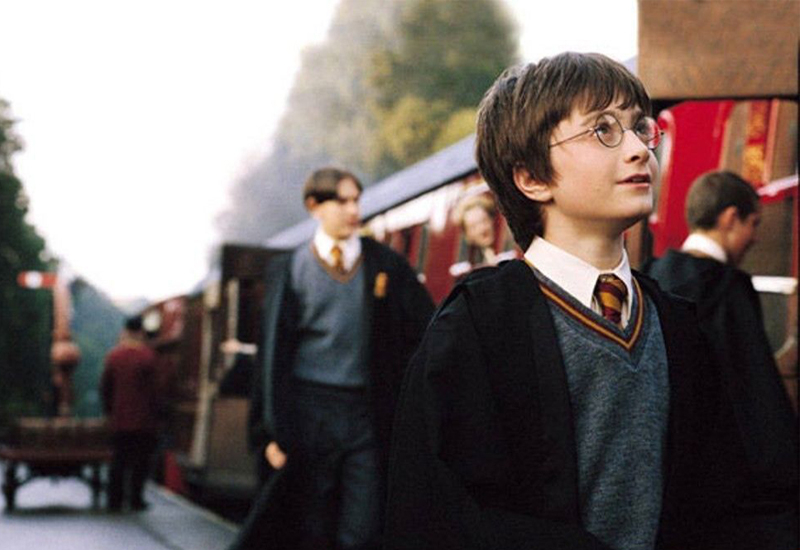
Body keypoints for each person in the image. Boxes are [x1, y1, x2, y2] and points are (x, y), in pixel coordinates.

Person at [384, 52, 798, 550]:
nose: (640, 150)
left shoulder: (679, 325)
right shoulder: (478, 328)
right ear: (532, 178)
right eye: (603, 130)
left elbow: (723, 502)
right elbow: (441, 516)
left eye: (639, 128)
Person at [238, 167, 435, 550]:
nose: (353, 210)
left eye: (356, 200)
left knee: (363, 528)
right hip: (308, 412)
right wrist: (268, 434)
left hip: (366, 412)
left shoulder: (386, 265)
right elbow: (272, 357)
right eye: (341, 201)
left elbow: (426, 329)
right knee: (311, 526)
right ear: (314, 206)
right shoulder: (289, 269)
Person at [646, 170, 798, 502]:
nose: (755, 238)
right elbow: (757, 397)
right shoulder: (729, 290)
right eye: (753, 224)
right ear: (730, 218)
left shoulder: (652, 277)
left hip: (663, 476)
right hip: (719, 485)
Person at [101, 315, 160, 512]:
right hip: (144, 419)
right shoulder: (148, 357)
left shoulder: (114, 356)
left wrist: (109, 410)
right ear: (141, 332)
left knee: (118, 460)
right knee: (141, 461)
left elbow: (105, 387)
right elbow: (155, 390)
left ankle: (114, 500)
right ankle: (136, 499)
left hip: (119, 418)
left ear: (125, 331)